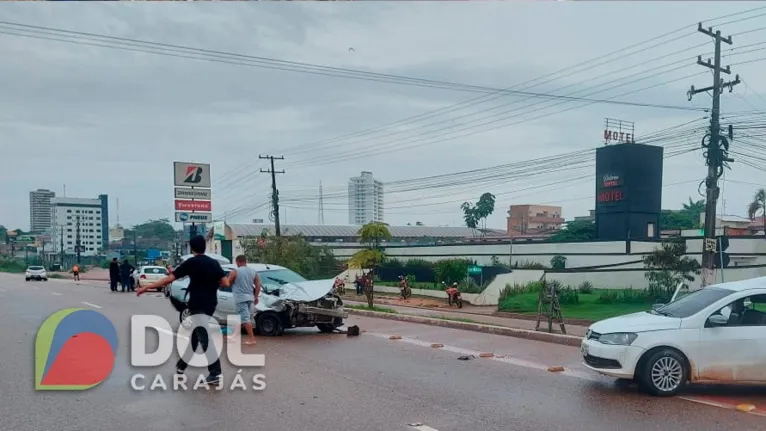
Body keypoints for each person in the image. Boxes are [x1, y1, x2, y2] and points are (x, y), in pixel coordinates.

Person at [137, 235, 230, 384]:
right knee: (196, 335)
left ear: (192, 248)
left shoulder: (191, 263)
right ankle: (182, 366)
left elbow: (169, 279)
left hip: (197, 304)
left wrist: (147, 286)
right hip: (211, 304)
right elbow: (225, 282)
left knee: (204, 337)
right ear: (204, 247)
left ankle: (215, 373)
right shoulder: (213, 263)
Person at [227, 255, 260, 345]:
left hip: (240, 298)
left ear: (237, 262)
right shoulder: (253, 271)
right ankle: (234, 336)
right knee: (241, 318)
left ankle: (252, 339)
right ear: (246, 261)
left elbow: (227, 283)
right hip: (250, 298)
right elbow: (258, 285)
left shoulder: (235, 271)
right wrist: (256, 296)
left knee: (245, 318)